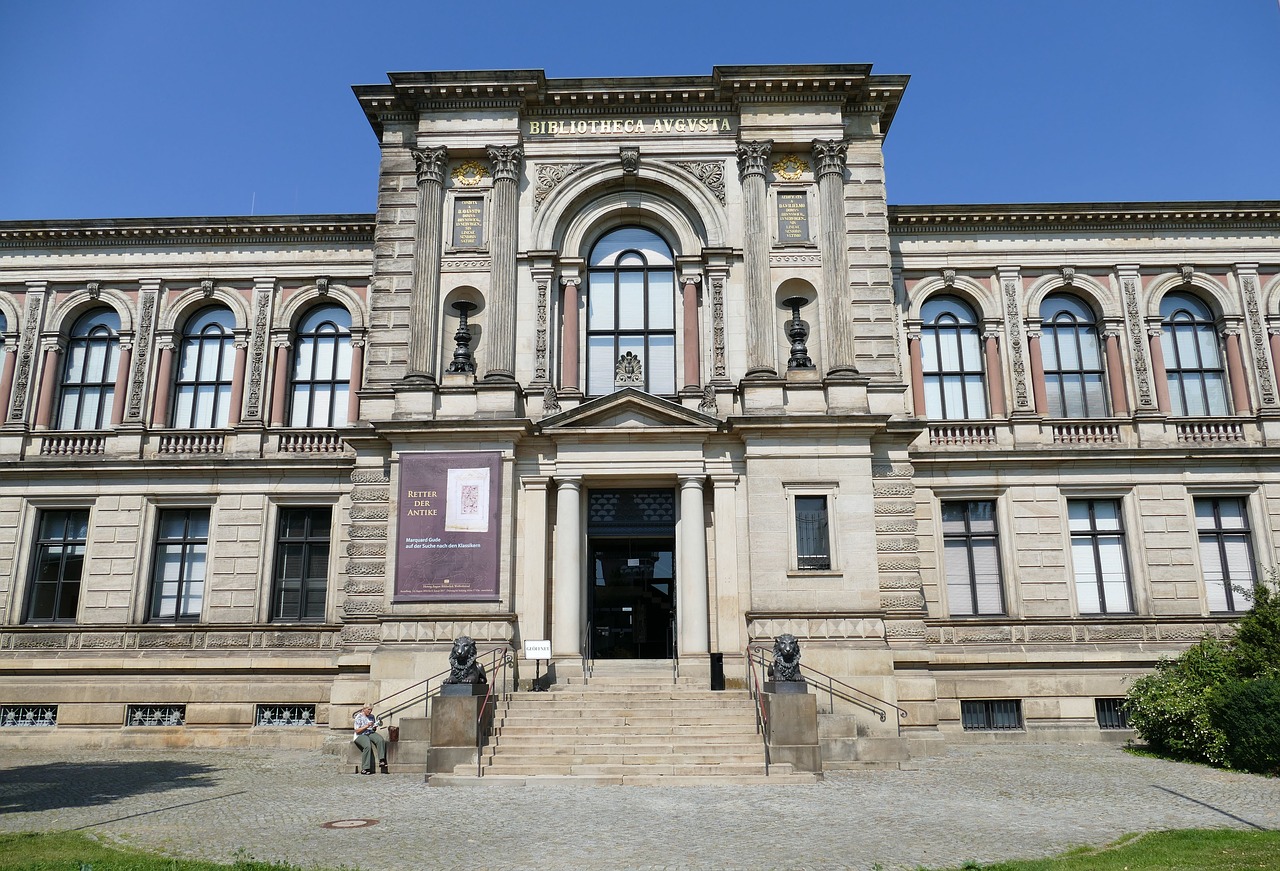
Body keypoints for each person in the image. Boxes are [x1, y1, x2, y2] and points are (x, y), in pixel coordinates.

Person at [352, 705, 388, 775]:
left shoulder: (372, 716)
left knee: (380, 740)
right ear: (364, 709)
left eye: (371, 710)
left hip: (369, 732)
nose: (370, 711)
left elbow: (372, 728)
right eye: (368, 709)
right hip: (360, 735)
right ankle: (365, 768)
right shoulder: (359, 717)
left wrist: (375, 726)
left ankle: (382, 760)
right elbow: (357, 731)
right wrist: (367, 726)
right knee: (367, 746)